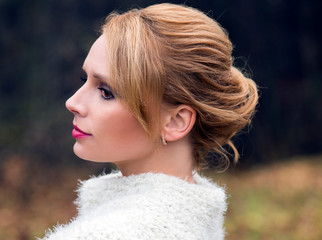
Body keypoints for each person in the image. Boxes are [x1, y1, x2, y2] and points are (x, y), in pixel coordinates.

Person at [40, 3, 258, 240]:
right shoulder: (190, 221)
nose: (72, 102)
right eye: (85, 79)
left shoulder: (107, 234)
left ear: (176, 121)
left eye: (106, 92)